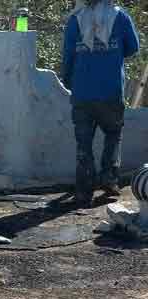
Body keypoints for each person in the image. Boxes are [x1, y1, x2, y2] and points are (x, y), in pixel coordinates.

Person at [60, 0, 140, 205]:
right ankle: (109, 180)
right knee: (113, 135)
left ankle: (84, 191)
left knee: (83, 144)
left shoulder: (75, 20)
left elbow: (68, 56)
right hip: (111, 91)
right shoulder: (120, 16)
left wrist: (69, 80)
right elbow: (132, 48)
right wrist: (111, 53)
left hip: (82, 93)